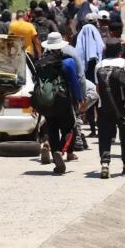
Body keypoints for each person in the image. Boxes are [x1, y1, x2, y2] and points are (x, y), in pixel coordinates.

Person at [34, 33, 84, 175]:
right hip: (63, 100)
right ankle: (61, 151)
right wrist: (79, 99)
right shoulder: (67, 62)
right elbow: (74, 83)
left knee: (52, 129)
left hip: (46, 102)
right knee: (70, 129)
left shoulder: (41, 63)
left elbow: (37, 84)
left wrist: (35, 104)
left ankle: (55, 152)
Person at [95, 38, 125, 178]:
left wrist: (102, 104)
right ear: (120, 51)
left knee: (105, 135)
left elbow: (98, 89)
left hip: (105, 107)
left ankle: (105, 163)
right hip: (124, 107)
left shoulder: (99, 65)